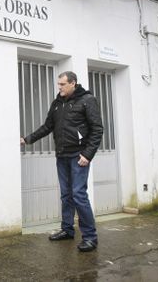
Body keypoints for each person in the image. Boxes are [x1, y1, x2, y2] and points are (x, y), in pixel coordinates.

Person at [20, 71, 103, 252]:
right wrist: (27, 139)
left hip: (79, 156)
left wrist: (87, 155)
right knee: (66, 195)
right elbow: (48, 126)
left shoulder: (87, 100)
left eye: (62, 84)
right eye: (58, 84)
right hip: (62, 156)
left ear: (73, 83)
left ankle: (90, 237)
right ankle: (67, 230)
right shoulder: (57, 103)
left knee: (79, 195)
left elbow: (97, 129)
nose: (59, 87)